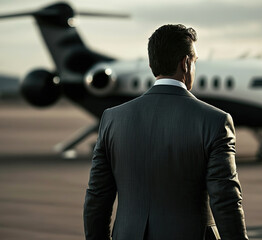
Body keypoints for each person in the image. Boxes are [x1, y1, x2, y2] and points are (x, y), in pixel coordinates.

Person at [83, 24, 248, 240]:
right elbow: (225, 200)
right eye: (195, 61)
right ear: (186, 63)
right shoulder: (215, 121)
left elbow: (97, 198)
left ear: (152, 65)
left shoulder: (112, 119)